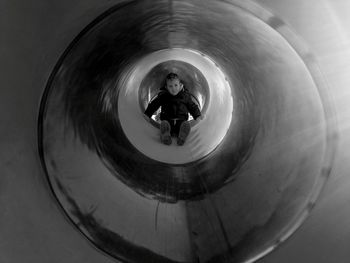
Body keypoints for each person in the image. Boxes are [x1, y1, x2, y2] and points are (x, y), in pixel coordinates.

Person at [144, 73, 203, 145]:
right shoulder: (163, 96)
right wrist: (147, 114)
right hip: (168, 120)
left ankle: (182, 136)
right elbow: (154, 104)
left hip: (181, 120)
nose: (173, 88)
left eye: (176, 85)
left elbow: (192, 106)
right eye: (170, 86)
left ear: (180, 85)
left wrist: (198, 116)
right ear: (166, 87)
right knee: (165, 124)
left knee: (184, 125)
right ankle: (166, 135)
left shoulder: (185, 96)